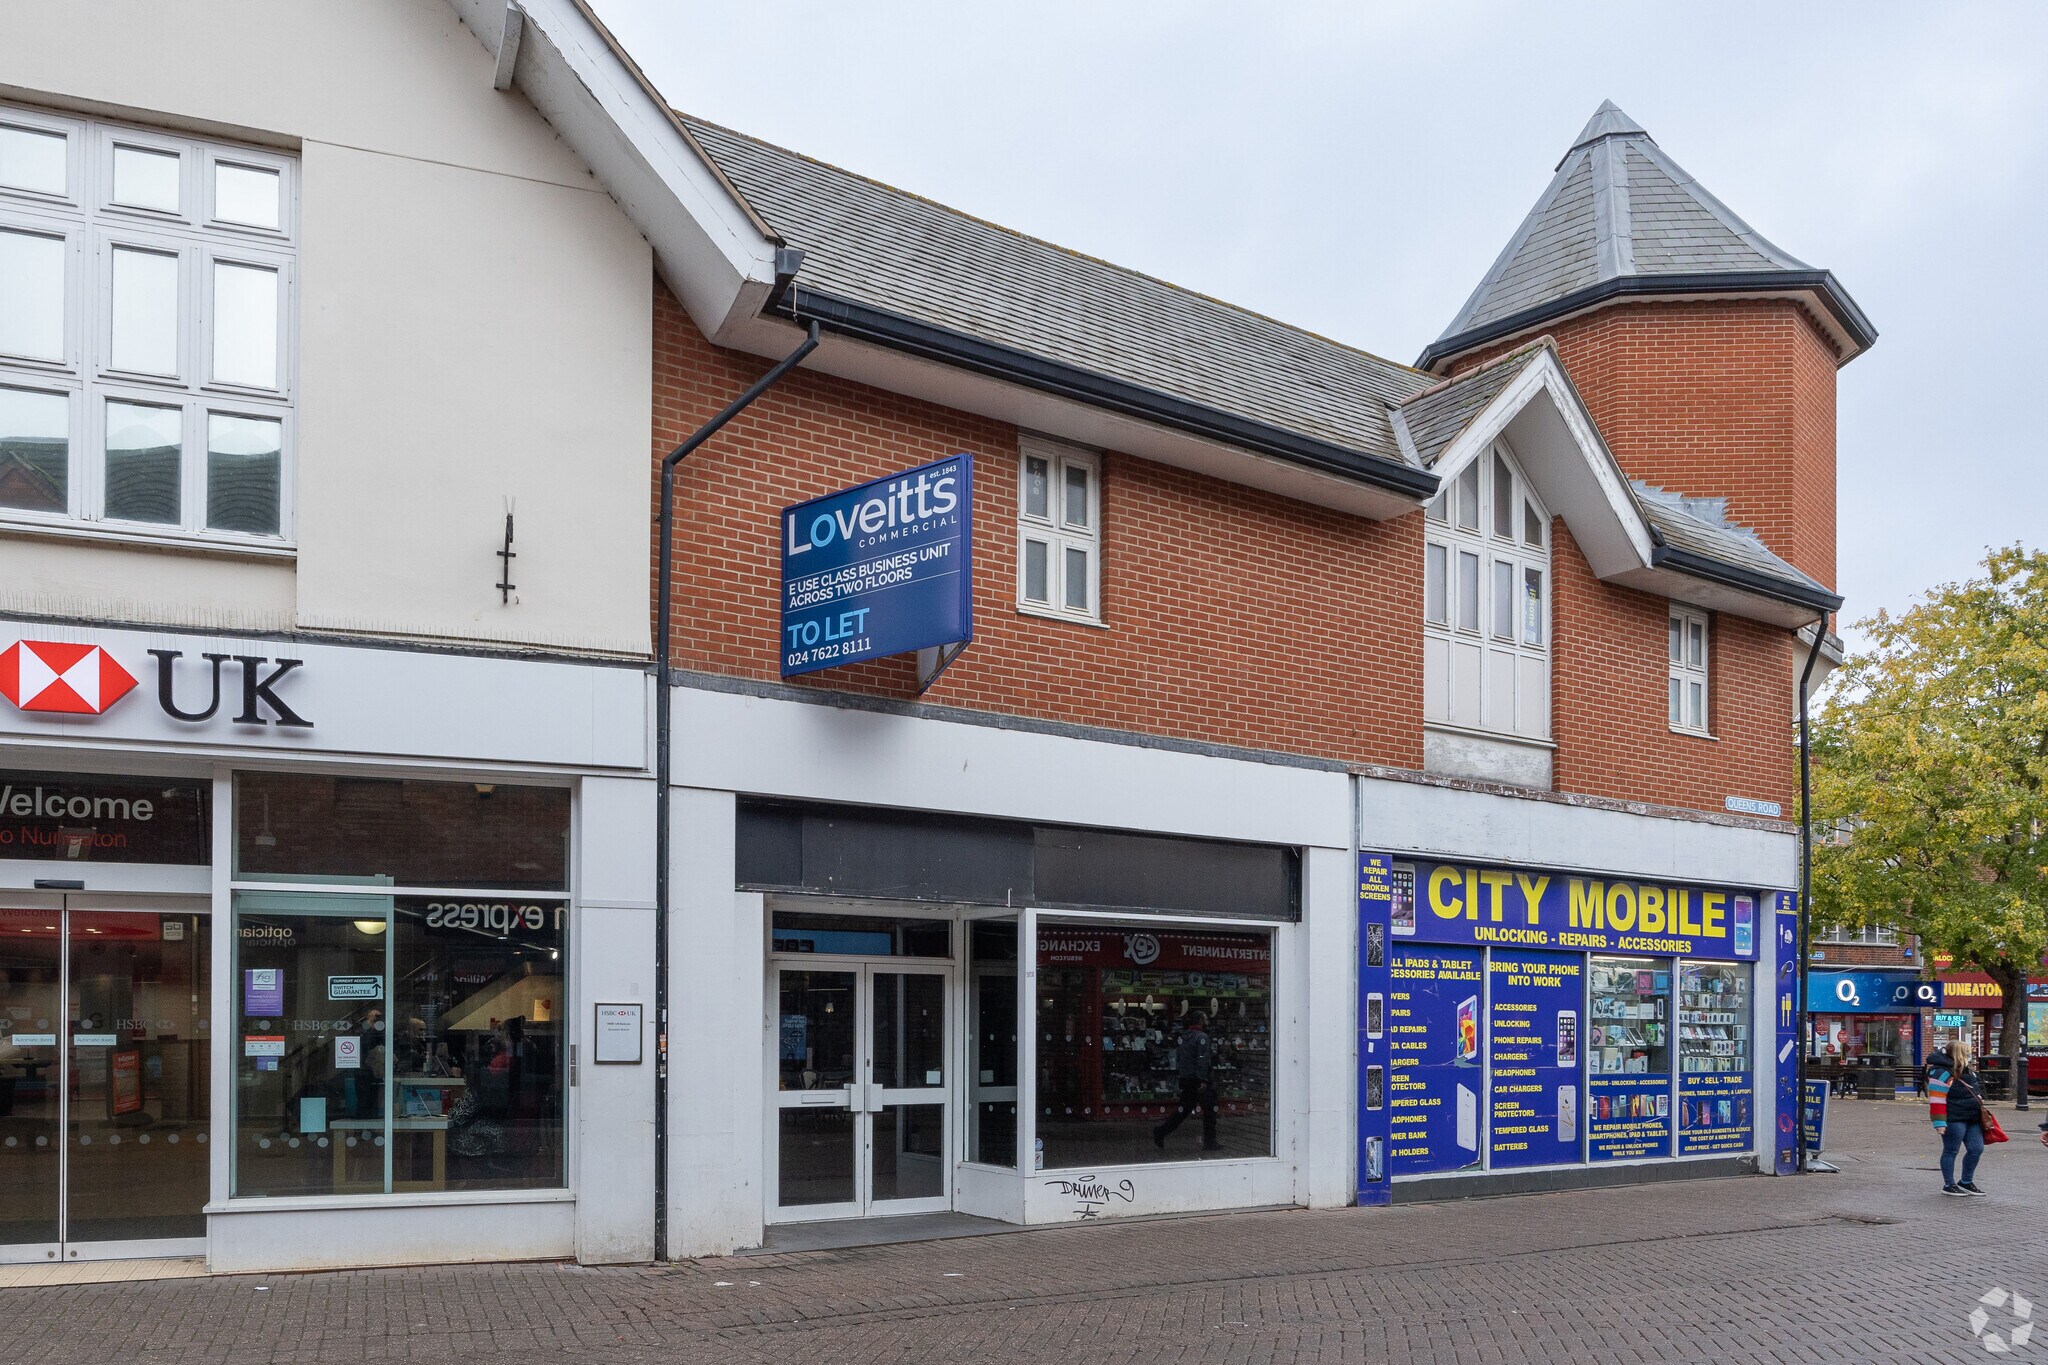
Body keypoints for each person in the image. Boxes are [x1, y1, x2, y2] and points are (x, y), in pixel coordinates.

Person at [1152, 1013, 1221, 1153]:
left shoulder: (1183, 1037)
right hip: (1199, 1080)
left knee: (1183, 1110)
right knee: (1209, 1111)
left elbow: (1181, 1059)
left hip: (1186, 1078)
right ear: (1201, 1021)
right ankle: (1209, 1142)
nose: (1207, 1022)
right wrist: (1203, 1080)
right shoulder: (1202, 1037)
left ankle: (1161, 1131)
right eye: (1206, 1019)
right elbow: (1202, 1060)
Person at [1929, 1041, 1989, 1196]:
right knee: (1951, 1151)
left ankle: (1966, 1182)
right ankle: (1949, 1184)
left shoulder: (1969, 1071)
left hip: (1972, 1117)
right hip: (1954, 1118)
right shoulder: (1942, 1073)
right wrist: (1939, 1122)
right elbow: (1937, 1098)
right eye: (1967, 1052)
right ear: (1959, 1053)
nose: (1970, 1055)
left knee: (1976, 1149)